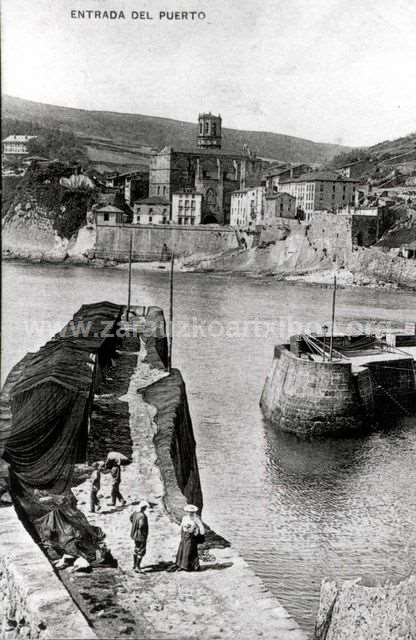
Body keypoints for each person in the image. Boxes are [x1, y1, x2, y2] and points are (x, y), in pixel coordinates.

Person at [174, 504, 205, 572]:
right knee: (182, 549)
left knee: (189, 550)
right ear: (187, 512)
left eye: (192, 512)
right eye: (189, 512)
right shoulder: (185, 518)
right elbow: (181, 525)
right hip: (184, 535)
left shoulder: (196, 518)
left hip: (191, 537)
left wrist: (200, 533)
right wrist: (179, 533)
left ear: (194, 512)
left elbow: (201, 527)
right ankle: (181, 565)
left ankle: (191, 566)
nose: (191, 513)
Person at [130, 501, 149, 573]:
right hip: (141, 536)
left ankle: (134, 565)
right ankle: (138, 567)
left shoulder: (135, 513)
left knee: (136, 548)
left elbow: (131, 518)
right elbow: (141, 525)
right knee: (141, 551)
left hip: (134, 534)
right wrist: (143, 532)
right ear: (144, 508)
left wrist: (134, 525)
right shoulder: (142, 516)